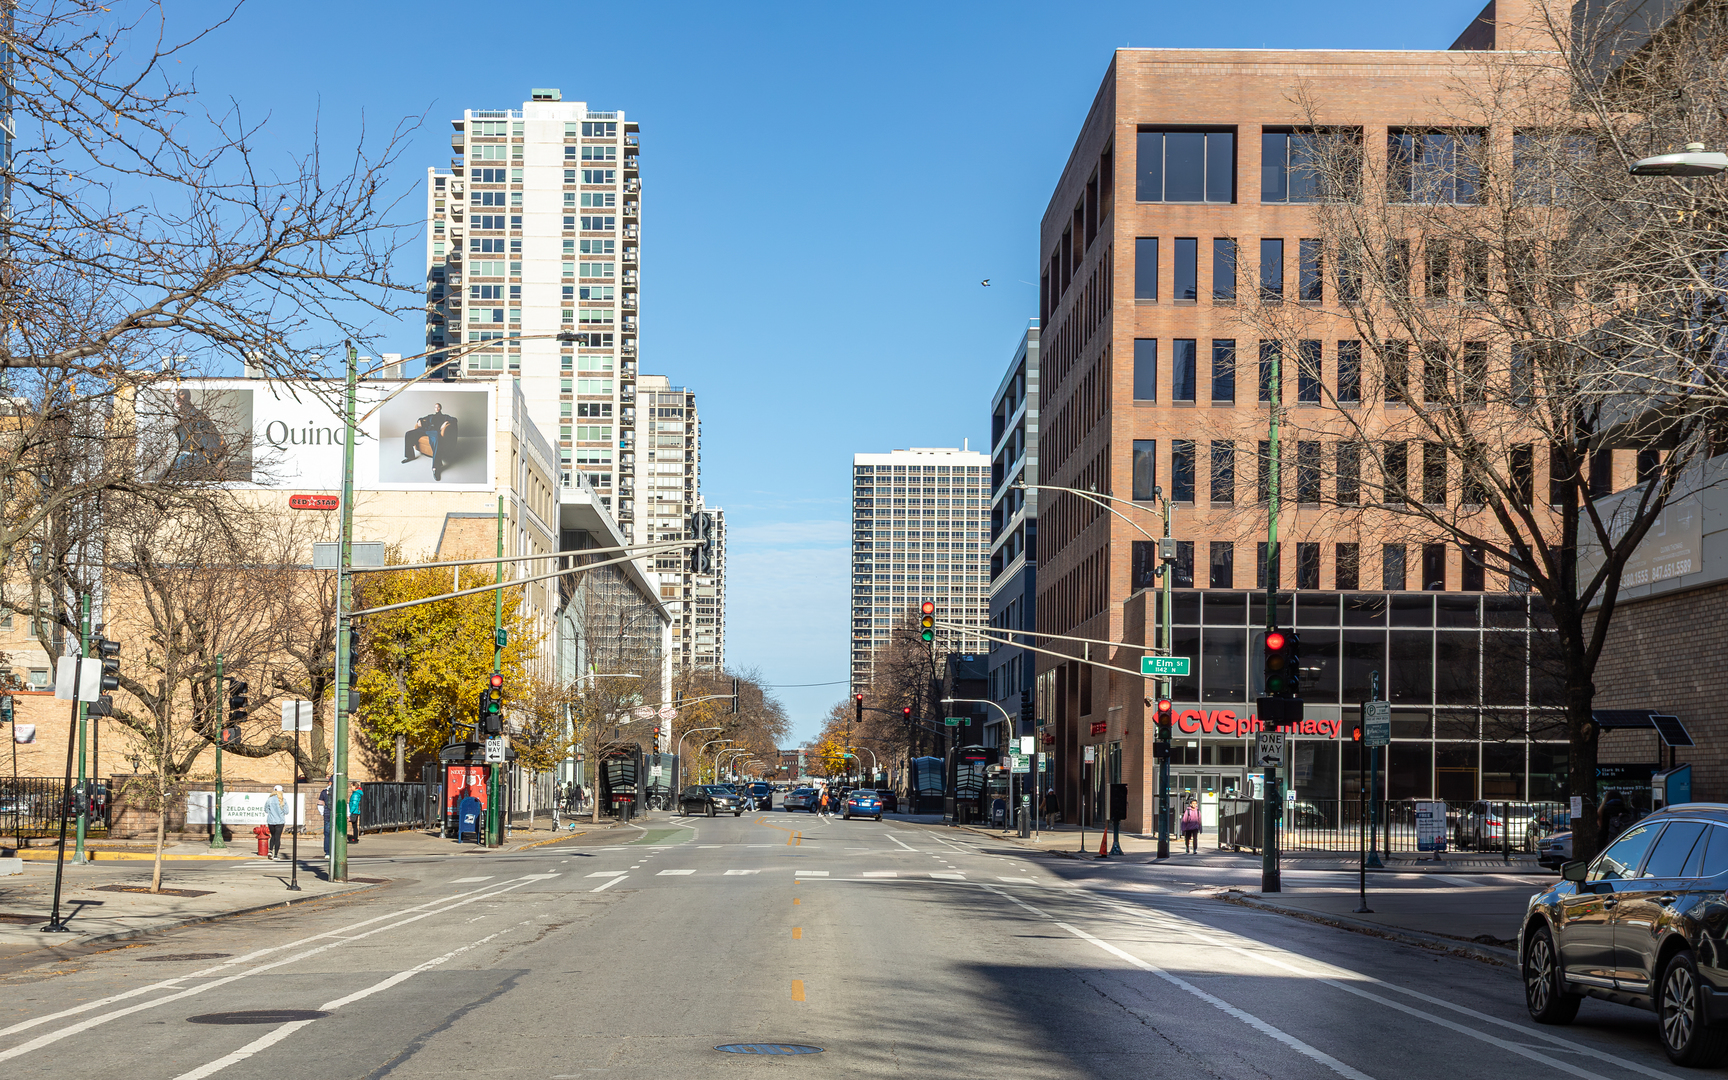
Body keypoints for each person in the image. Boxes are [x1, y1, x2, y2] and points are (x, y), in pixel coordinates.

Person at [264, 785, 288, 860]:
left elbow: (266, 810)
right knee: (277, 838)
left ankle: (270, 850)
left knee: (273, 836)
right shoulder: (283, 800)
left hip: (271, 821)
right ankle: (276, 855)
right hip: (280, 821)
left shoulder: (269, 800)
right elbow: (286, 811)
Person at [318, 778, 333, 857]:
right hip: (337, 815)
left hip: (327, 814)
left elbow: (320, 804)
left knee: (327, 834)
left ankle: (327, 852)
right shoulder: (338, 791)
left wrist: (323, 813)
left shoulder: (324, 792)